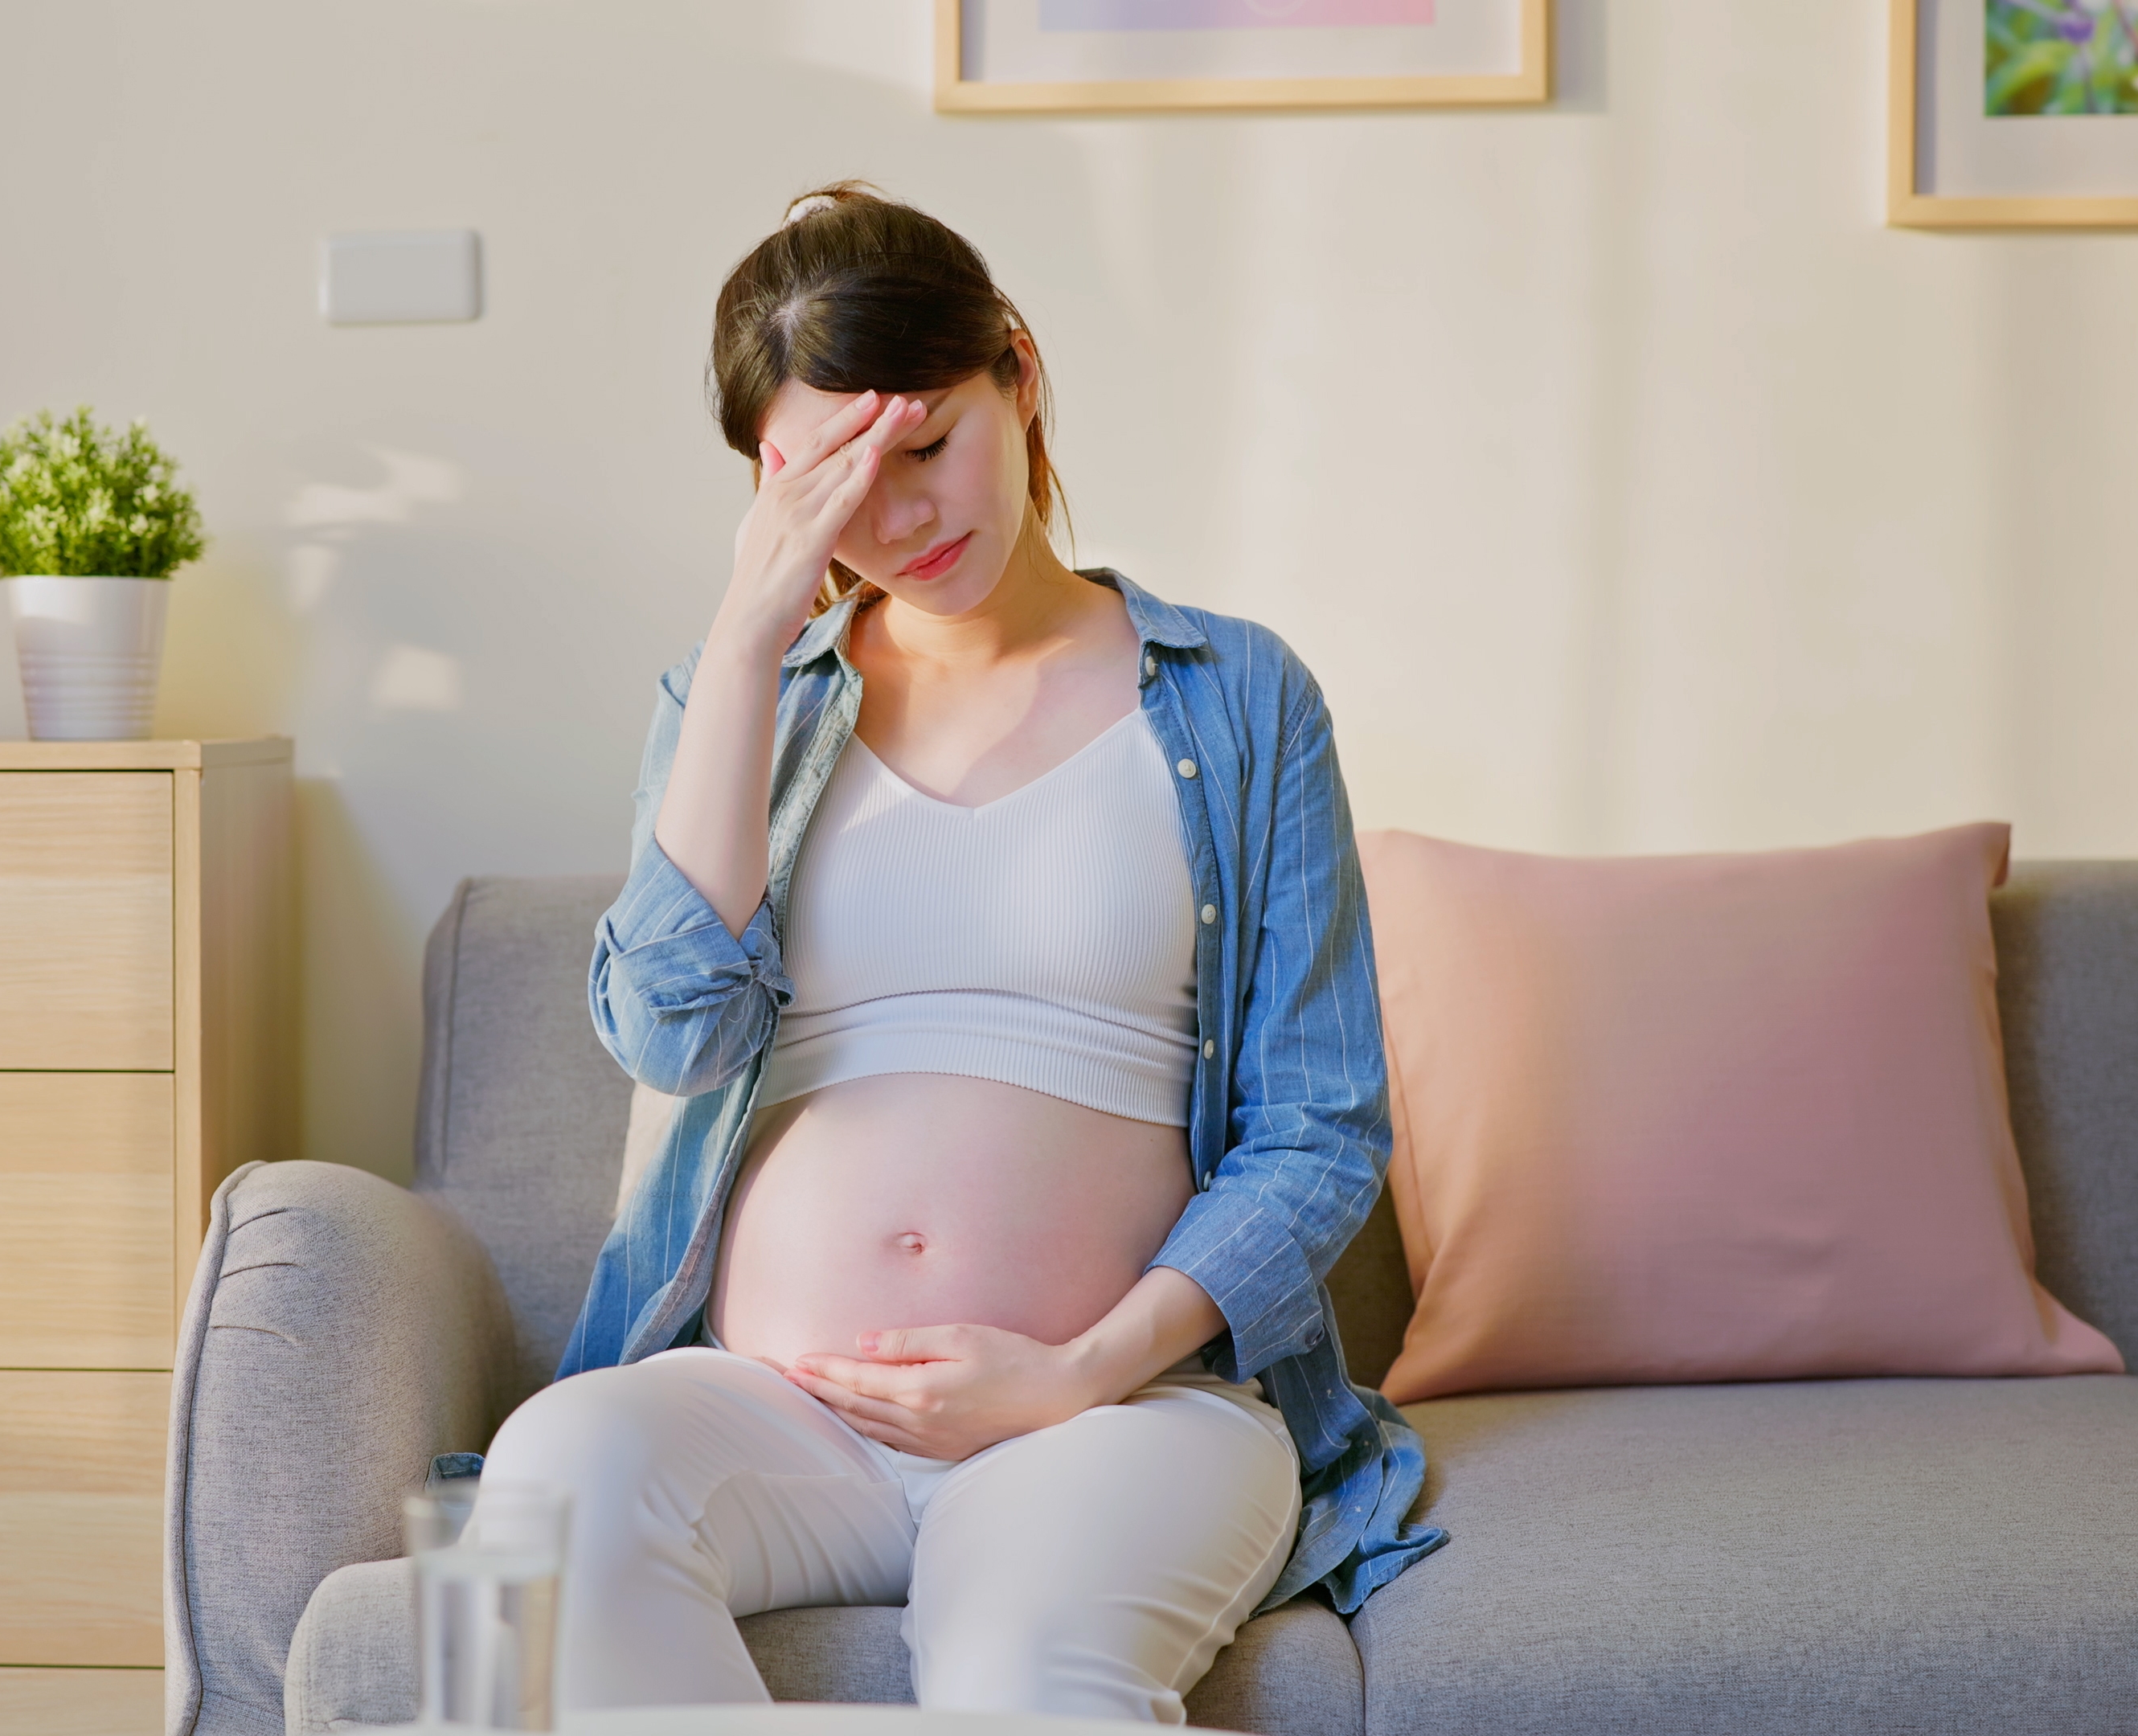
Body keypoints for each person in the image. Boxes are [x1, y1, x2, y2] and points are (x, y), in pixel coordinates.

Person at [477, 182, 1443, 1725]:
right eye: (835, 487)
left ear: (1021, 374)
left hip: (1118, 1411)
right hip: (774, 1417)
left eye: (926, 448)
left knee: (1024, 1674)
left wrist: (1079, 1370)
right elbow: (672, 1038)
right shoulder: (745, 704)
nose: (900, 523)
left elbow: (1320, 1132)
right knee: (552, 1483)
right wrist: (743, 644)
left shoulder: (1238, 698)